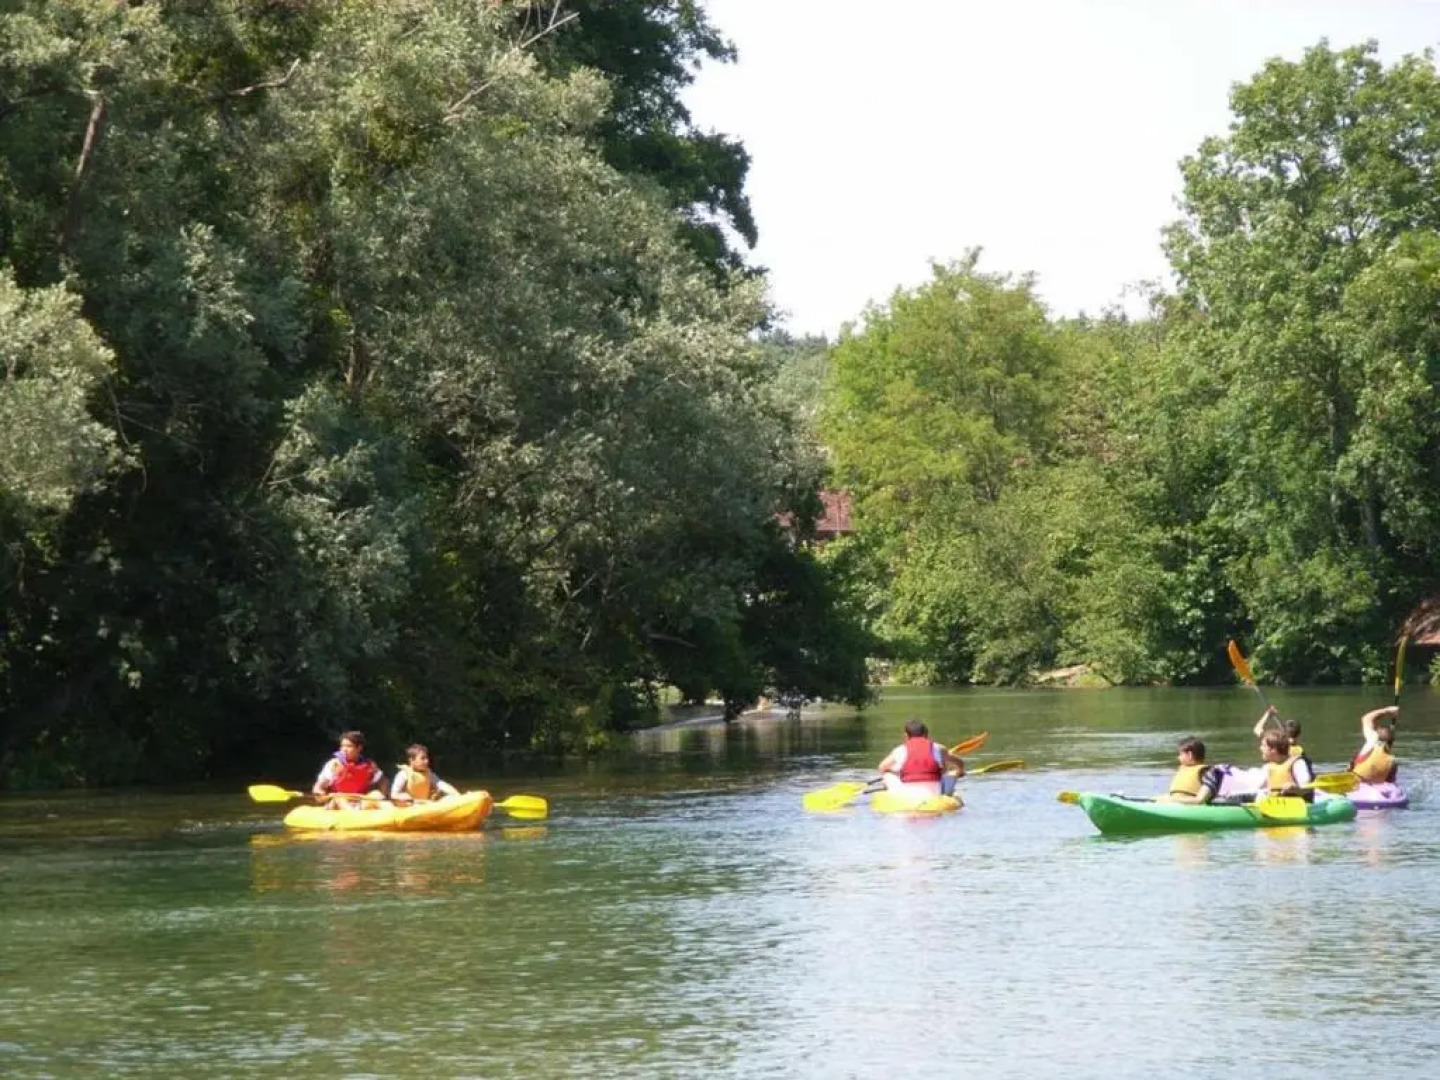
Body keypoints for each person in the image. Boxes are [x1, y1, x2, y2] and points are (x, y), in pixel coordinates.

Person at [877, 720, 967, 799]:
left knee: (887, 773)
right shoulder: (939, 748)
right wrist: (961, 772)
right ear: (926, 735)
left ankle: (888, 792)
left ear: (906, 736)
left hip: (906, 794)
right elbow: (960, 763)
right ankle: (948, 794)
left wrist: (894, 773)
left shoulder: (900, 750)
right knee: (952, 772)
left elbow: (881, 767)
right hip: (935, 793)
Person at [312, 730, 386, 809]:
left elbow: (383, 782)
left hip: (359, 803)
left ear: (359, 748)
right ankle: (354, 816)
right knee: (339, 797)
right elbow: (318, 787)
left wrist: (383, 794)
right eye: (342, 746)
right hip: (337, 804)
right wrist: (321, 794)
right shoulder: (334, 764)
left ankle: (395, 816)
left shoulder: (370, 765)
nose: (344, 749)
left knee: (376, 794)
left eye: (349, 746)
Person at [1157, 737, 1226, 804]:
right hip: (1176, 804)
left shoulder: (1207, 772)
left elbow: (1199, 800)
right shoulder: (1183, 770)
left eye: (1180, 754)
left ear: (1189, 755)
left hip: (1193, 809)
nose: (1178, 758)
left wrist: (1172, 800)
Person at [391, 743, 460, 805]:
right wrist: (405, 797)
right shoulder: (403, 774)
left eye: (427, 758)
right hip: (410, 806)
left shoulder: (429, 773)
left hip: (425, 805)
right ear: (411, 760)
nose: (426, 761)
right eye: (422, 758)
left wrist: (457, 795)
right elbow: (394, 795)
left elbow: (441, 784)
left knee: (449, 797)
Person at [1256, 731, 1313, 800]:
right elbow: (1257, 787)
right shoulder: (1268, 767)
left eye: (1264, 746)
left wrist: (1295, 788)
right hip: (1274, 804)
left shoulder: (1297, 763)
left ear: (1274, 750)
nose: (1260, 748)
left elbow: (1307, 788)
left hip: (1297, 805)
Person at [1350, 705, 1400, 783]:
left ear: (1377, 735)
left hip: (1357, 781)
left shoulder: (1373, 740)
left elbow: (1366, 718)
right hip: (1377, 788)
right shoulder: (1392, 761)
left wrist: (1387, 710)